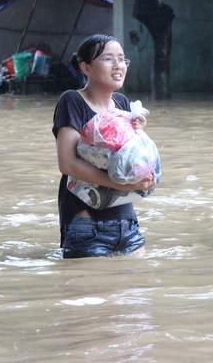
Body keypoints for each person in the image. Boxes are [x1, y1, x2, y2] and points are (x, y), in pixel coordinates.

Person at [52, 34, 156, 258]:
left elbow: (129, 161)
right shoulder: (72, 101)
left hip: (127, 223)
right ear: (86, 68)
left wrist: (145, 179)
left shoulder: (123, 103)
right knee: (95, 291)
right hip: (87, 225)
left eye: (122, 59)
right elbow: (67, 164)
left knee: (138, 289)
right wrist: (123, 185)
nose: (118, 65)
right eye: (109, 59)